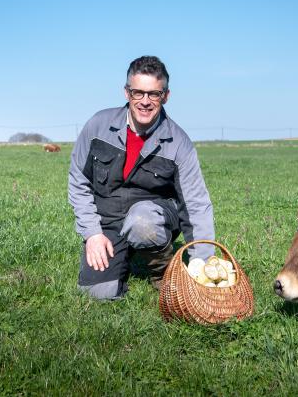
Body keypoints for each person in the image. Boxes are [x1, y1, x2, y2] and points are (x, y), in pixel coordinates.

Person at [68, 56, 216, 300]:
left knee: (142, 221)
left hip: (153, 217)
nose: (145, 102)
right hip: (108, 222)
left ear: (165, 96)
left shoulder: (179, 143)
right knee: (97, 293)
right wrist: (93, 233)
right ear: (127, 93)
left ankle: (162, 271)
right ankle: (121, 255)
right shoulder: (97, 125)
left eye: (154, 94)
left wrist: (204, 264)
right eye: (138, 93)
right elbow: (78, 182)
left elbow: (196, 205)